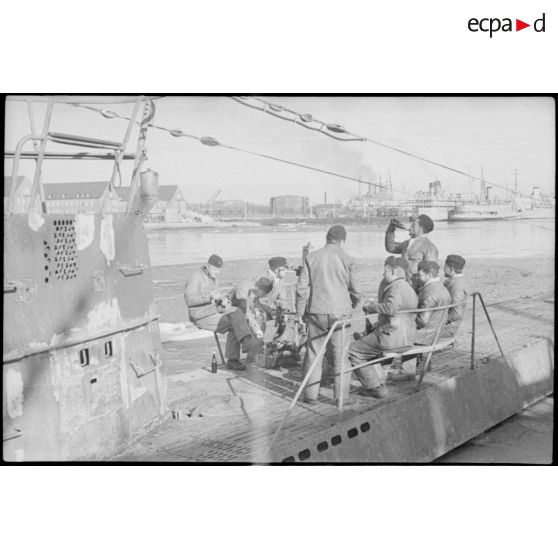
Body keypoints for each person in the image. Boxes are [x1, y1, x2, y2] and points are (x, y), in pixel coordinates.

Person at [295, 225, 361, 405]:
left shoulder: (311, 257)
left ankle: (310, 396)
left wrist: (300, 312)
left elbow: (301, 289)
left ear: (327, 238)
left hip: (316, 312)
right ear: (342, 241)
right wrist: (352, 304)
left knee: (314, 354)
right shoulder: (348, 259)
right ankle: (341, 398)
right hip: (341, 314)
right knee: (341, 356)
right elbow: (356, 290)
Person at [348, 257, 418, 398]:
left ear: (393, 272)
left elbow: (391, 308)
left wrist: (371, 307)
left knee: (352, 351)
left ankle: (374, 387)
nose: (382, 274)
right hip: (407, 339)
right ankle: (378, 379)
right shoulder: (409, 288)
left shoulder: (396, 288)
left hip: (390, 339)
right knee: (366, 339)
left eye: (385, 271)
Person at [183, 255, 263, 372]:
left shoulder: (213, 278)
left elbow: (214, 297)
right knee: (236, 320)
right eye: (214, 269)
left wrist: (221, 300)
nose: (217, 272)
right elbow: (189, 300)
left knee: (236, 312)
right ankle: (245, 346)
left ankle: (235, 357)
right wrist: (209, 297)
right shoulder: (195, 277)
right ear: (208, 266)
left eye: (219, 270)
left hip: (212, 310)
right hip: (200, 315)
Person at [385, 214, 438, 287]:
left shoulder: (430, 248)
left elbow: (430, 275)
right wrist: (391, 230)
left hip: (415, 288)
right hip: (404, 285)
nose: (410, 226)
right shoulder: (408, 243)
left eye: (413, 225)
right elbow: (391, 247)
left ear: (420, 229)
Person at [415, 260, 452, 345]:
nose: (417, 278)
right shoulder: (443, 288)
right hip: (435, 333)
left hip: (423, 337)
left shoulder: (429, 292)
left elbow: (422, 321)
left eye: (419, 275)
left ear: (429, 275)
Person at [443, 254, 469, 337]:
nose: (443, 269)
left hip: (448, 328)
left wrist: (436, 320)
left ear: (451, 269)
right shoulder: (457, 281)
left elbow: (456, 314)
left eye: (445, 267)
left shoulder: (456, 285)